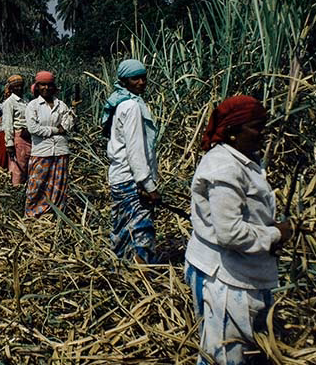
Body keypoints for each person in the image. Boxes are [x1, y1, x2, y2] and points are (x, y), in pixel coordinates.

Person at [184, 95, 293, 365]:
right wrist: (276, 234)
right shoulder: (224, 168)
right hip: (224, 277)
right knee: (223, 357)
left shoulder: (241, 159)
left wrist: (268, 232)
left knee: (236, 352)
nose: (263, 134)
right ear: (233, 131)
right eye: (256, 127)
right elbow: (230, 233)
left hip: (237, 270)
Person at [103, 59, 160, 264]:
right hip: (132, 180)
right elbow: (135, 151)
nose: (141, 82)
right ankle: (141, 274)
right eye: (135, 79)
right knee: (141, 233)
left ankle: (122, 271)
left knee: (123, 230)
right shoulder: (131, 106)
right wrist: (148, 185)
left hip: (119, 177)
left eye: (144, 78)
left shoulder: (120, 103)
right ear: (124, 81)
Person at [25, 71, 74, 217]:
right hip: (42, 150)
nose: (46, 88)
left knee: (58, 185)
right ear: (37, 87)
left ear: (54, 87)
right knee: (36, 184)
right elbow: (33, 129)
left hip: (60, 150)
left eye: (49, 85)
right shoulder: (33, 106)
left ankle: (54, 214)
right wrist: (55, 130)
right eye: (42, 85)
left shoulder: (61, 105)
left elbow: (68, 126)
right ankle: (32, 214)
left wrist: (73, 111)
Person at [2, 74, 31, 186]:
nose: (19, 88)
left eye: (21, 86)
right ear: (11, 88)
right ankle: (16, 188)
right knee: (18, 166)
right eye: (16, 86)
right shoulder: (9, 102)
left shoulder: (26, 100)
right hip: (19, 135)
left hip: (28, 135)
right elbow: (7, 123)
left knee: (27, 164)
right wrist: (9, 143)